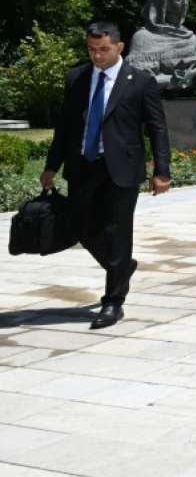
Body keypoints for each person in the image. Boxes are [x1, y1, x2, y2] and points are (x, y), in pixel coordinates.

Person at [42, 21, 171, 329]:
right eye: (92, 49)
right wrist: (51, 166)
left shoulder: (140, 81)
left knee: (117, 232)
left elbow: (157, 128)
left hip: (122, 169)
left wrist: (162, 171)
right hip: (83, 166)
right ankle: (122, 266)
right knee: (80, 227)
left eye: (104, 49)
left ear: (119, 47)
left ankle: (113, 302)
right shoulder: (76, 78)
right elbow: (65, 127)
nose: (97, 56)